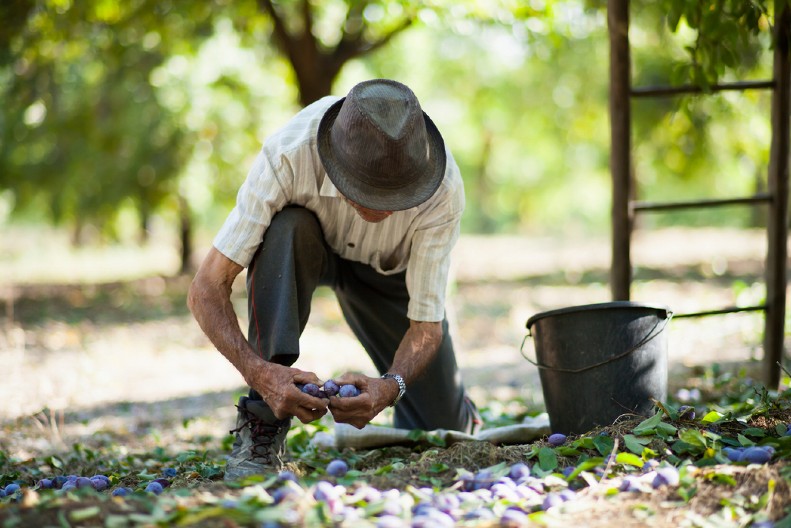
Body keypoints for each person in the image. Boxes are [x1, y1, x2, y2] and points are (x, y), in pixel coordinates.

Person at [187, 78, 480, 481]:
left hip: (388, 277)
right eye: (367, 191)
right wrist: (260, 373)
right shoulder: (288, 155)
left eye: (395, 195)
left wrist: (388, 387)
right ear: (334, 162)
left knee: (443, 429)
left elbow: (426, 326)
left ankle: (457, 406)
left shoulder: (442, 188)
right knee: (285, 228)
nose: (381, 206)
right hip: (306, 249)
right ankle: (262, 423)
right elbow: (206, 287)